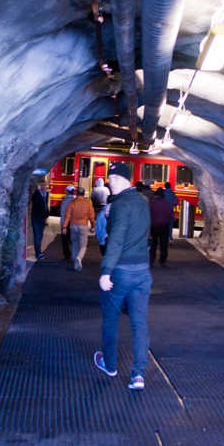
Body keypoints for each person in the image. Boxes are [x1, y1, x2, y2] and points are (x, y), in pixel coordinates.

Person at [93, 161, 152, 390]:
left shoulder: (120, 204)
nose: (109, 182)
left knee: (110, 320)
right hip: (142, 272)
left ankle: (110, 365)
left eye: (111, 178)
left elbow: (116, 239)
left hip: (120, 271)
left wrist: (106, 271)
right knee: (140, 324)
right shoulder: (142, 201)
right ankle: (138, 375)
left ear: (120, 179)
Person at [62, 186, 96, 271]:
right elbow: (91, 217)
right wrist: (93, 226)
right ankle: (79, 258)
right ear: (84, 194)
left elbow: (67, 216)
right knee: (83, 245)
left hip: (73, 226)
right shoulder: (88, 203)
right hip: (83, 226)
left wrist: (64, 226)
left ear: (76, 194)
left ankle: (75, 264)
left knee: (74, 244)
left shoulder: (71, 203)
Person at [148, 188, 173, 267]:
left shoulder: (152, 203)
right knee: (164, 244)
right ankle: (163, 260)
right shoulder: (167, 204)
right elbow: (170, 214)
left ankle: (152, 258)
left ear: (156, 195)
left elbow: (148, 214)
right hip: (165, 226)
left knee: (154, 243)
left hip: (155, 226)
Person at [29, 183, 48, 260]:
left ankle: (38, 251)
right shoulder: (36, 194)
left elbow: (45, 205)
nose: (43, 186)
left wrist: (47, 213)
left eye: (44, 185)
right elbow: (36, 206)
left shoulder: (45, 194)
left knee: (40, 236)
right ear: (38, 186)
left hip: (42, 218)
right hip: (36, 217)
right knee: (37, 236)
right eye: (42, 185)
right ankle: (38, 252)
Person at [59, 186, 76, 260]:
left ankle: (67, 254)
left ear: (68, 191)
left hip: (65, 223)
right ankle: (75, 254)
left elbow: (62, 213)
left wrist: (62, 224)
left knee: (65, 239)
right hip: (73, 223)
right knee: (73, 239)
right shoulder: (75, 201)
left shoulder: (64, 201)